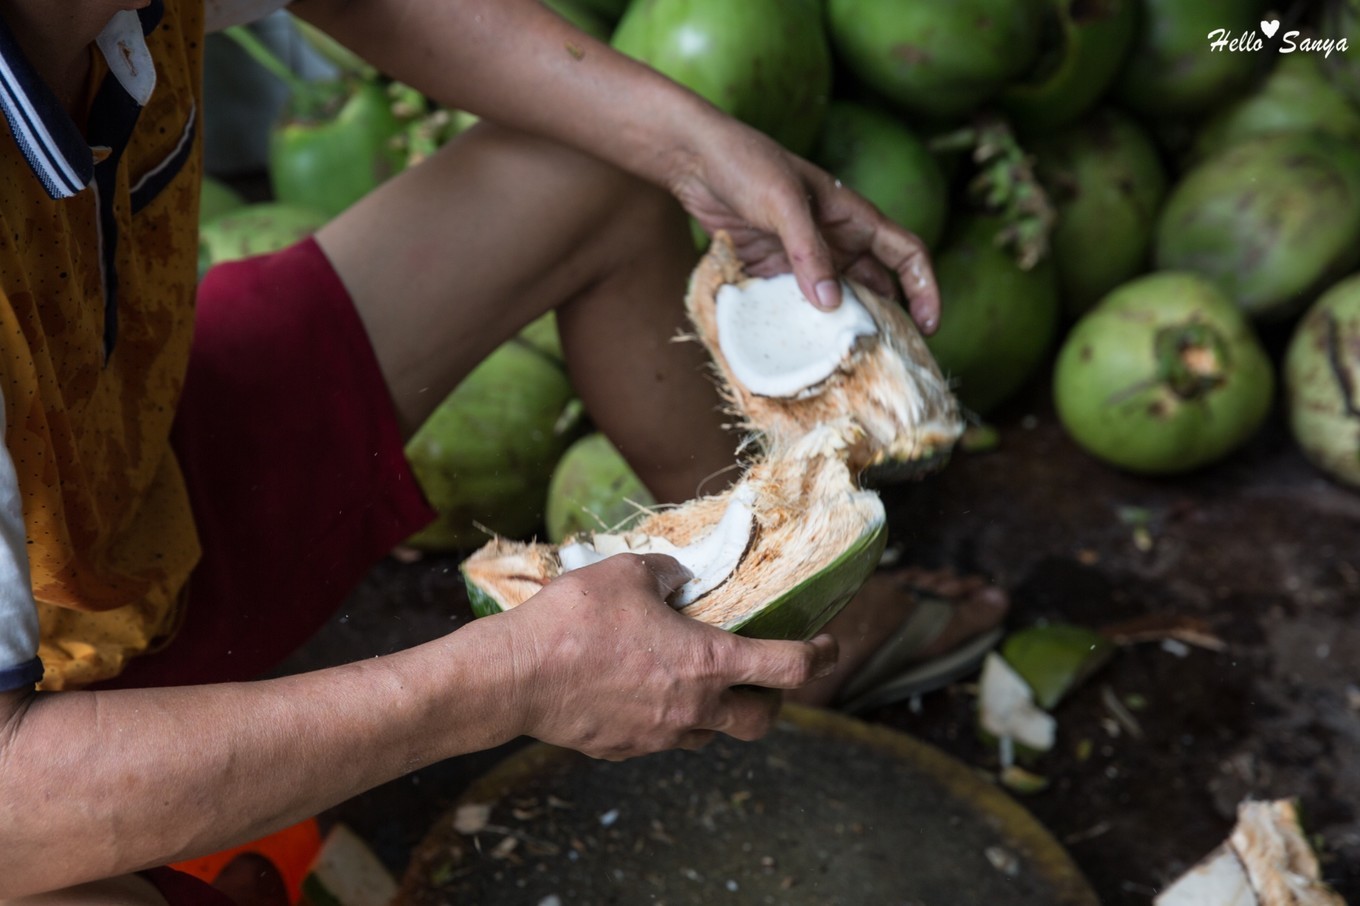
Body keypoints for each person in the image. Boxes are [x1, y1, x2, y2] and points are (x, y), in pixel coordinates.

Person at [0, 0, 1006, 902]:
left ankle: (772, 591)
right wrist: (513, 679)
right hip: (31, 771)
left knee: (596, 171)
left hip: (114, 483)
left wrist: (698, 146)